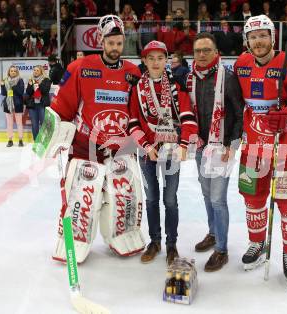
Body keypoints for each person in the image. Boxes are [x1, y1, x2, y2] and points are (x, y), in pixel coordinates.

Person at [34, 15, 145, 263]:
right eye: (111, 43)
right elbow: (63, 105)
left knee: (124, 197)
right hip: (86, 147)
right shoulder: (81, 68)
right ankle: (74, 242)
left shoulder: (132, 73)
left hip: (121, 149)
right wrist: (53, 134)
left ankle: (122, 236)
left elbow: (140, 110)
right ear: (101, 41)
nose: (115, 48)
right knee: (83, 199)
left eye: (119, 43)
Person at [234, 15, 287, 284]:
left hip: (285, 151)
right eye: (253, 37)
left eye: (263, 36)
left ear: (272, 37)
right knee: (253, 200)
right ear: (246, 41)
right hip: (253, 149)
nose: (258, 41)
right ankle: (257, 243)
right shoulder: (242, 64)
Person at [128, 40, 198, 265]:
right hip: (147, 152)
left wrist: (185, 145)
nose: (156, 62)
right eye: (151, 58)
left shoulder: (177, 85)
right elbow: (132, 123)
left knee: (170, 201)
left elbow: (188, 117)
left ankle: (171, 245)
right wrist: (147, 147)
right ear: (144, 61)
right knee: (151, 199)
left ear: (166, 60)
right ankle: (155, 241)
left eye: (160, 58)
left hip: (171, 152)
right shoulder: (138, 88)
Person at [186, 33, 244, 272]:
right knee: (207, 195)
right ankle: (213, 233)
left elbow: (240, 113)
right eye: (198, 50)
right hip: (200, 146)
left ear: (216, 52)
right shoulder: (190, 78)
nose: (201, 54)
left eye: (206, 50)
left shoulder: (228, 78)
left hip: (222, 147)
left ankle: (221, 249)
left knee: (218, 200)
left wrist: (233, 145)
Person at [0, 65, 25, 147]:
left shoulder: (20, 80)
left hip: (18, 104)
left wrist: (12, 85)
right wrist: (2, 85)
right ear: (9, 72)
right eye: (11, 71)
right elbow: (3, 93)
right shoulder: (5, 80)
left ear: (17, 72)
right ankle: (10, 140)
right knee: (9, 124)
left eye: (14, 71)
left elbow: (21, 92)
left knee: (19, 123)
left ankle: (20, 140)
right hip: (8, 105)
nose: (13, 72)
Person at [25, 65, 51, 140]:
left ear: (41, 72)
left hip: (42, 105)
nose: (35, 72)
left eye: (37, 70)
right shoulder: (31, 80)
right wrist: (30, 85)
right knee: (34, 124)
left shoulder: (46, 80)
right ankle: (36, 141)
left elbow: (45, 91)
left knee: (43, 124)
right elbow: (28, 93)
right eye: (34, 70)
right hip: (33, 105)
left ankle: (44, 140)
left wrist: (38, 84)